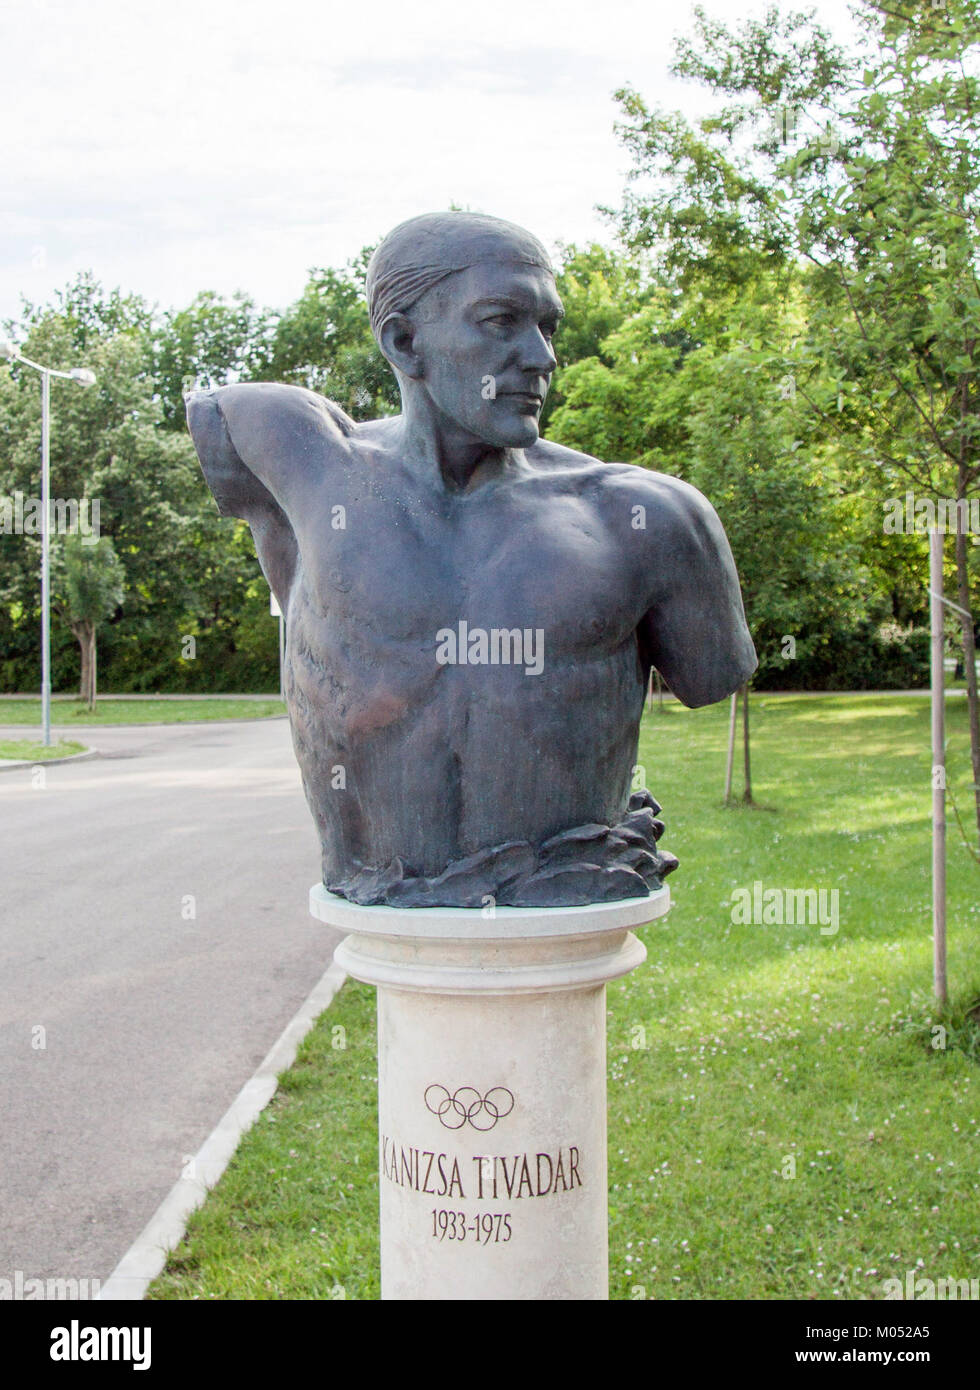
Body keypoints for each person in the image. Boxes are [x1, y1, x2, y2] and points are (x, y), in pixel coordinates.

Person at [187, 211, 756, 907]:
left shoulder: (641, 519)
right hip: (380, 905)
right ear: (403, 341)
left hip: (568, 908)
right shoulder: (307, 472)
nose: (542, 357)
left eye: (548, 326)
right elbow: (219, 413)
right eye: (501, 321)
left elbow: (711, 676)